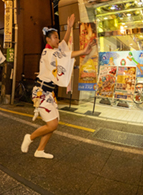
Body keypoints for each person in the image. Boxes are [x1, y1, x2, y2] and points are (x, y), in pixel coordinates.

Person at [21, 14, 95, 159]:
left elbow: (63, 44)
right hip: (41, 92)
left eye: (57, 37)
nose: (58, 39)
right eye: (55, 37)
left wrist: (69, 27)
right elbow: (65, 55)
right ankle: (29, 138)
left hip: (48, 93)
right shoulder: (48, 53)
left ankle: (40, 150)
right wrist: (83, 52)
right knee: (52, 124)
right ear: (48, 39)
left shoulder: (54, 50)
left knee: (53, 123)